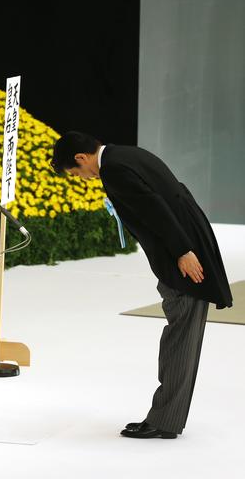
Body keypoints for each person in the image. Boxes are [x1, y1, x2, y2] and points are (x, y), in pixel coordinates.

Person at [50, 131, 233, 439]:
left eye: (76, 173)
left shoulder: (114, 169)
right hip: (189, 242)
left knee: (180, 336)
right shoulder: (127, 154)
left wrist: (183, 252)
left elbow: (155, 210)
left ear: (81, 158)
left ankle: (164, 421)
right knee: (182, 333)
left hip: (182, 256)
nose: (83, 178)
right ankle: (166, 417)